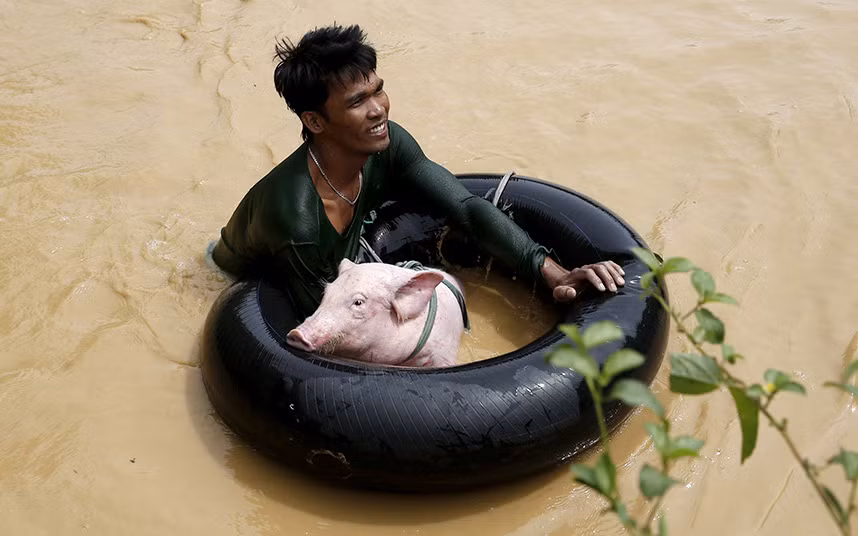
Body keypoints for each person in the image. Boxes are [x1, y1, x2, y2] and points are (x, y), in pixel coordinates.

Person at [211, 24, 624, 318]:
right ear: (315, 121)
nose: (378, 110)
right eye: (358, 102)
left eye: (378, 90)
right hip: (242, 277)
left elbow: (465, 207)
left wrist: (554, 273)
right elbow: (325, 324)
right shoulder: (297, 217)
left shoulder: (389, 145)